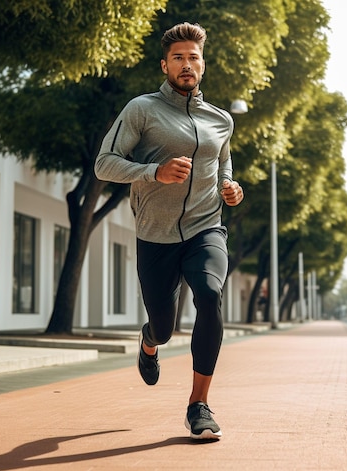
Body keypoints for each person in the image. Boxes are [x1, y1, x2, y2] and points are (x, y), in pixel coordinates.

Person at [94, 22, 244, 440]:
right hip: (155, 235)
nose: (186, 64)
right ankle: (149, 341)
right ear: (165, 65)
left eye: (193, 57)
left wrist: (229, 188)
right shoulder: (142, 109)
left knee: (211, 295)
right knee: (165, 326)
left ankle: (199, 405)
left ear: (202, 64)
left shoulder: (221, 120)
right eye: (177, 57)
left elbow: (222, 162)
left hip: (205, 227)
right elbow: (104, 163)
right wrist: (153, 172)